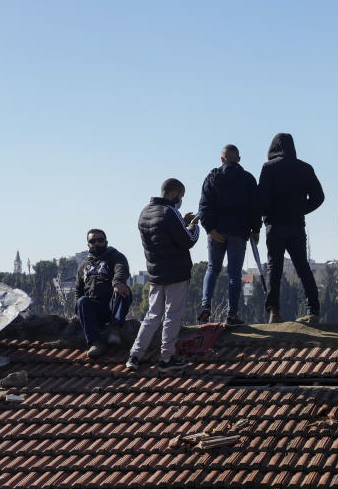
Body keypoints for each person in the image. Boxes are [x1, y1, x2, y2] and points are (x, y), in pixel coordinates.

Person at [126, 178, 201, 373]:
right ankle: (166, 358)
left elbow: (164, 235)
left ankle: (135, 355)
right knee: (172, 315)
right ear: (175, 193)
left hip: (155, 273)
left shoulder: (144, 213)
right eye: (181, 196)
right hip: (176, 272)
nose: (180, 200)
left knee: (152, 315)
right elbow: (188, 240)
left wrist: (180, 224)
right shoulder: (170, 212)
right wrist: (193, 226)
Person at [257, 133, 325, 324]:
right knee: (303, 267)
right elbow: (319, 197)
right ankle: (313, 311)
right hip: (296, 225)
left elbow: (261, 199)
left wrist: (262, 218)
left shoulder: (269, 168)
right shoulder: (305, 168)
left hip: (274, 225)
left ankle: (274, 312)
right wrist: (301, 210)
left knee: (274, 269)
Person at [197, 144, 260, 325]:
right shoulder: (248, 179)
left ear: (222, 159)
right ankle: (232, 315)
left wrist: (210, 229)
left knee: (212, 268)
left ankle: (205, 305)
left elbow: (204, 206)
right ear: (239, 159)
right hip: (239, 232)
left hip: (216, 231)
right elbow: (254, 208)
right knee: (234, 274)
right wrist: (255, 229)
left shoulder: (212, 177)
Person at [74, 229, 132, 359]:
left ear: (106, 242)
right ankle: (96, 343)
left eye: (100, 240)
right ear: (88, 244)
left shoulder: (115, 256)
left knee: (124, 291)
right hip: (94, 308)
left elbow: (121, 269)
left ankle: (115, 329)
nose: (96, 243)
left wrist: (117, 283)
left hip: (112, 305)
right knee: (82, 301)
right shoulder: (83, 266)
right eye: (92, 241)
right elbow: (78, 290)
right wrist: (77, 312)